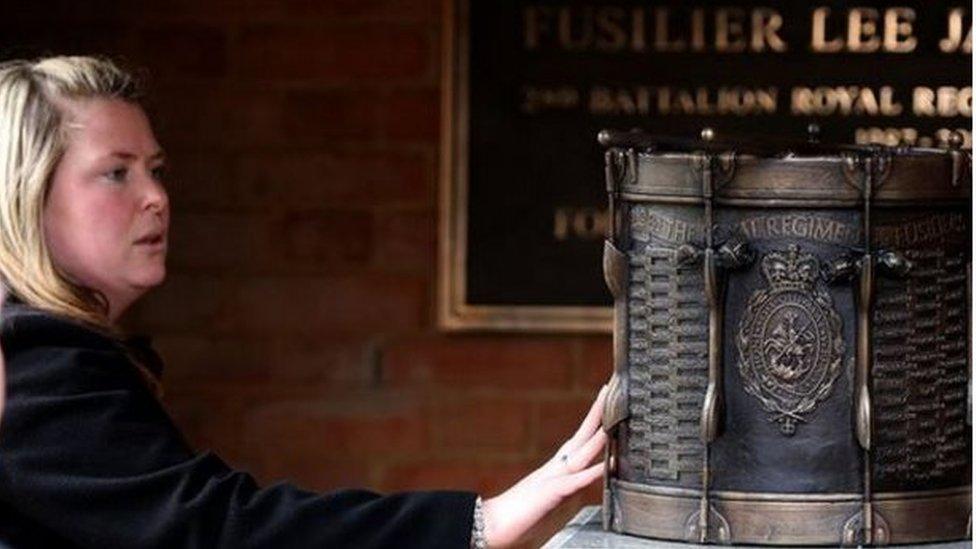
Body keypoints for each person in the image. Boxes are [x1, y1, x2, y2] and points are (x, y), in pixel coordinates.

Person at [0, 56, 608, 548]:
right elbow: (214, 530)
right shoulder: (34, 363)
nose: (156, 195)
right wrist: (478, 525)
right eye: (117, 173)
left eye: (155, 169)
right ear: (28, 193)